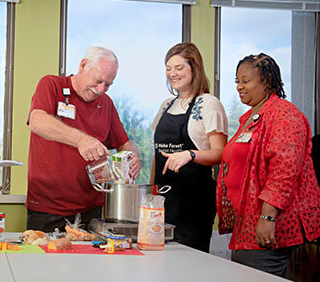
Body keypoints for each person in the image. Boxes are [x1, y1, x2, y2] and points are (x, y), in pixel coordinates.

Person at [216, 53, 320, 278]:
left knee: (252, 270)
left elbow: (285, 171)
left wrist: (267, 217)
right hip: (250, 219)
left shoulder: (284, 115)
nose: (239, 87)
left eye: (246, 81)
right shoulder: (252, 117)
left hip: (274, 222)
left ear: (268, 80)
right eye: (237, 81)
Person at [26, 46, 141, 232]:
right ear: (83, 65)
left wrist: (133, 158)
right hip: (48, 209)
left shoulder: (106, 104)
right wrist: (81, 140)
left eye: (108, 85)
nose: (101, 89)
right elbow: (37, 121)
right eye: (98, 81)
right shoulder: (51, 85)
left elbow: (124, 145)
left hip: (92, 212)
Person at [151, 42, 228, 253]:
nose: (172, 73)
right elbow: (157, 155)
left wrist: (190, 154)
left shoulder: (209, 103)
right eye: (168, 68)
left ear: (194, 69)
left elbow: (221, 153)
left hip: (194, 202)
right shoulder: (166, 105)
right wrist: (151, 195)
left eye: (179, 67)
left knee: (189, 265)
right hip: (163, 201)